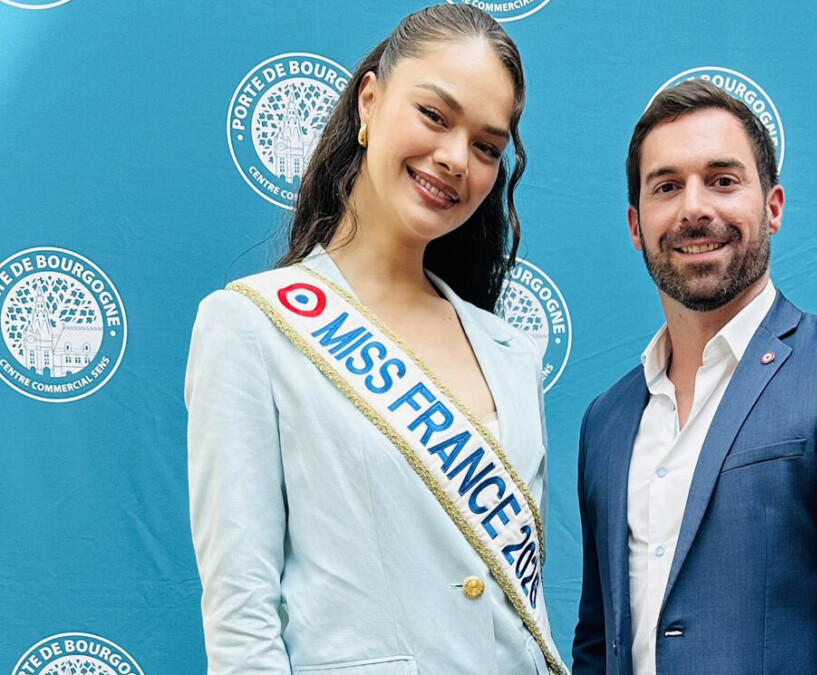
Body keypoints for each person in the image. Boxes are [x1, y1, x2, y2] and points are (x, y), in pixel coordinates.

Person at [185, 6, 565, 674]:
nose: (455, 159)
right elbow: (241, 624)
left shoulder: (512, 353)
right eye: (435, 116)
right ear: (370, 100)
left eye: (485, 146)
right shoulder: (253, 325)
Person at [572, 79, 817, 674]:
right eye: (666, 186)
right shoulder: (607, 421)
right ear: (636, 225)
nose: (695, 208)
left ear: (771, 208)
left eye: (722, 181)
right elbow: (598, 645)